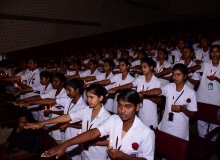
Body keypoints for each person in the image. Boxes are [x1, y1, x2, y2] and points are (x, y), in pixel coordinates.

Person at [25, 88, 155, 160]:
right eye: (120, 106)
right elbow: (94, 132)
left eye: (128, 107)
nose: (122, 110)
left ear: (137, 107)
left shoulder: (146, 133)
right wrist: (66, 144)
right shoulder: (114, 120)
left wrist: (123, 157)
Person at [23, 84, 111, 160]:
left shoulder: (107, 117)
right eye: (87, 97)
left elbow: (109, 142)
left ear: (100, 98)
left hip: (98, 155)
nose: (88, 100)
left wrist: (90, 141)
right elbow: (67, 117)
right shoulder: (87, 110)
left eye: (91, 97)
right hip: (84, 152)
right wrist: (42, 123)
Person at [17, 79, 87, 160]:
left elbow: (84, 125)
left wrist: (70, 125)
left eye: (69, 90)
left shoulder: (83, 106)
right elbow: (50, 100)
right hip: (65, 136)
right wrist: (31, 102)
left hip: (74, 139)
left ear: (77, 90)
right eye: (66, 89)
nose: (67, 92)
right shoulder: (68, 100)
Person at [140, 63, 197, 140]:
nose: (175, 77)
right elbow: (158, 90)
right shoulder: (169, 87)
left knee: (177, 149)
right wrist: (144, 93)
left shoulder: (190, 93)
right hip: (165, 125)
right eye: (174, 74)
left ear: (185, 76)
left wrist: (182, 109)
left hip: (179, 129)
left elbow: (193, 114)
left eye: (178, 74)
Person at [108, 57, 161, 127]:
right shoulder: (140, 79)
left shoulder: (157, 82)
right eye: (141, 67)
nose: (142, 69)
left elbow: (159, 101)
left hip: (150, 115)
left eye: (145, 67)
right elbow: (129, 85)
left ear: (151, 67)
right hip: (139, 113)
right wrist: (116, 88)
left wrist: (146, 96)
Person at [196, 45, 220, 139]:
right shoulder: (205, 64)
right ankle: (203, 139)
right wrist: (189, 68)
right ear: (209, 54)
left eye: (217, 51)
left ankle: (212, 141)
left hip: (217, 98)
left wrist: (216, 79)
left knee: (215, 122)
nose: (214, 53)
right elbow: (198, 66)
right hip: (203, 97)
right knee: (201, 121)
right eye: (212, 51)